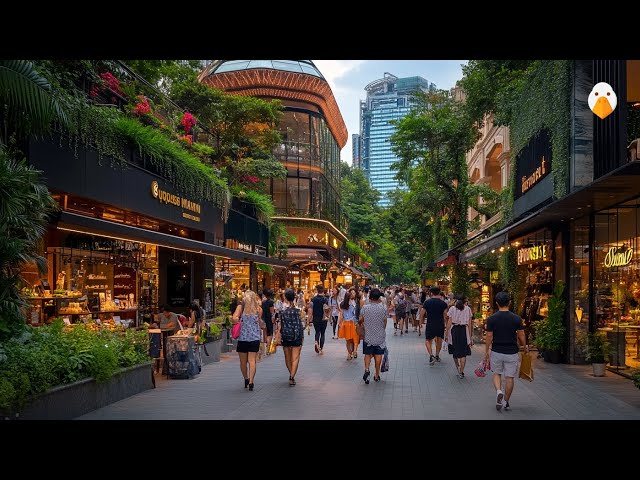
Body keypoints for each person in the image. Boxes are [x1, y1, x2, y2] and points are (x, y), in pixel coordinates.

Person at [485, 291, 528, 411]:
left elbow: (489, 336)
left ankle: (499, 391)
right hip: (512, 352)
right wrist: (525, 347)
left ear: (497, 303)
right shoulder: (516, 318)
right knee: (509, 377)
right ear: (509, 302)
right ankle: (506, 401)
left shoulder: (492, 319)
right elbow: (521, 335)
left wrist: (486, 351)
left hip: (497, 351)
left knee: (497, 374)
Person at [232, 290, 263, 391]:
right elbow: (260, 323)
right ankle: (251, 382)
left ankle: (246, 378)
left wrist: (239, 319)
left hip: (243, 338)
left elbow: (234, 318)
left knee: (243, 362)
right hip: (254, 337)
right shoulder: (258, 309)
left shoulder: (241, 307)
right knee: (252, 360)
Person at [359, 288, 387, 384]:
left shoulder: (365, 308)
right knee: (378, 356)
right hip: (379, 336)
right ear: (379, 297)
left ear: (370, 297)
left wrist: (363, 325)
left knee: (368, 354)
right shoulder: (383, 308)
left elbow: (360, 319)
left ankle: (367, 369)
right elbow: (385, 322)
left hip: (368, 335)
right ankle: (376, 375)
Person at [445, 295, 473, 378]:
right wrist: (470, 336)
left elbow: (449, 322)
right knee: (463, 352)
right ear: (464, 301)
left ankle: (458, 367)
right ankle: (461, 372)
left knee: (455, 350)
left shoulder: (452, 309)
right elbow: (470, 323)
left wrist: (446, 333)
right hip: (464, 330)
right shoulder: (468, 309)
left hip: (454, 330)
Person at [280, 288, 304, 386]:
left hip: (285, 335)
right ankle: (292, 376)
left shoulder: (282, 311)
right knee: (295, 357)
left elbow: (280, 324)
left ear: (285, 297)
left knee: (287, 356)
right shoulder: (298, 311)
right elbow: (302, 324)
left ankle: (291, 373)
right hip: (297, 335)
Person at [421, 287, 448, 365]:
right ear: (439, 292)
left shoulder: (427, 302)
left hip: (430, 323)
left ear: (431, 293)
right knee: (439, 340)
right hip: (440, 323)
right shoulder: (443, 303)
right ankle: (437, 355)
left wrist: (420, 323)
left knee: (428, 340)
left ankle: (431, 355)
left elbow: (422, 314)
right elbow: (445, 315)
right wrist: (446, 324)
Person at [337, 288, 359, 360]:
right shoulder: (353, 304)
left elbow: (342, 315)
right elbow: (354, 314)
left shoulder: (342, 304)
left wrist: (340, 323)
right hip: (352, 323)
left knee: (348, 340)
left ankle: (349, 355)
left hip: (345, 323)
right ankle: (355, 351)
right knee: (355, 338)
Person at [307, 285, 329, 354]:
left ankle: (316, 342)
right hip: (323, 319)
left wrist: (308, 320)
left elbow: (310, 311)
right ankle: (321, 349)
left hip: (316, 318)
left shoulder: (313, 299)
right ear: (323, 291)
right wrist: (328, 317)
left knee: (317, 332)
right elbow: (327, 310)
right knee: (322, 333)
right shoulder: (326, 299)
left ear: (317, 290)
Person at [261, 289, 276, 355]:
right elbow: (272, 312)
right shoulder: (271, 302)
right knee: (269, 334)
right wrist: (273, 319)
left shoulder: (263, 302)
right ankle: (268, 349)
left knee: (264, 333)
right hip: (269, 319)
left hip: (263, 318)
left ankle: (264, 348)